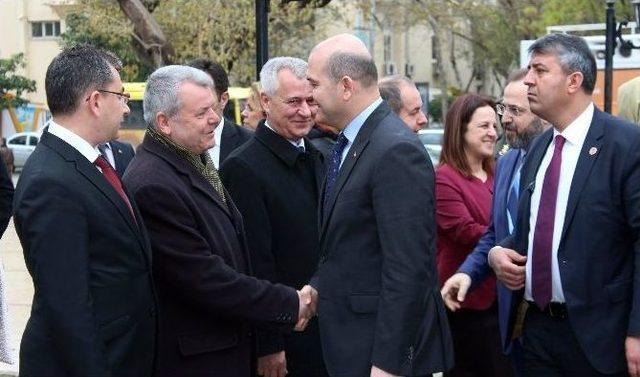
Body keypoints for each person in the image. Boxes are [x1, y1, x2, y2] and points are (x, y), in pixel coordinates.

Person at [122, 65, 315, 377]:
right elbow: (206, 278)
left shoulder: (190, 160)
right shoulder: (153, 185)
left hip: (224, 349)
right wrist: (289, 303)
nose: (215, 119)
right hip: (196, 360)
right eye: (202, 113)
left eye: (214, 108)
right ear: (164, 123)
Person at [487, 33, 640, 377]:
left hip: (601, 337)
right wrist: (498, 253)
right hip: (538, 331)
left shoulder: (626, 146)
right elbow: (536, 231)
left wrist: (637, 331)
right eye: (529, 70)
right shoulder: (539, 148)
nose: (528, 79)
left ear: (574, 81)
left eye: (540, 70)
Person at [306, 33, 453, 377]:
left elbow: (408, 268)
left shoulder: (394, 150)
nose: (309, 95)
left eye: (313, 83)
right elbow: (354, 244)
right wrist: (319, 286)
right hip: (351, 344)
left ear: (345, 86)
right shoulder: (353, 142)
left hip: (380, 356)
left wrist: (389, 364)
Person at [13, 45, 157, 377]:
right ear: (94, 101)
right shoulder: (49, 181)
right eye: (121, 97)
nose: (125, 108)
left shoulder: (89, 163)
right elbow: (67, 307)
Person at [220, 56, 328, 377]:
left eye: (311, 101)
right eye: (293, 101)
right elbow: (253, 263)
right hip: (287, 334)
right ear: (265, 101)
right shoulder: (243, 168)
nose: (305, 111)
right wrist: (269, 344)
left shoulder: (319, 156)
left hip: (328, 328)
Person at [441, 69, 548, 375]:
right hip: (503, 319)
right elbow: (496, 233)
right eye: (504, 108)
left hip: (551, 319)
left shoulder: (557, 162)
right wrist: (468, 273)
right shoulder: (508, 161)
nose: (505, 120)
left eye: (516, 110)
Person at [435, 92, 514, 377]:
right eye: (484, 126)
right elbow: (465, 230)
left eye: (495, 126)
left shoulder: (499, 173)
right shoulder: (444, 178)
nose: (493, 133)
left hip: (502, 300)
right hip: (465, 303)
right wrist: (512, 240)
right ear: (461, 129)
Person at [188, 58, 253, 168]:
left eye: (205, 100)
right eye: (189, 97)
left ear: (223, 99)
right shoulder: (173, 142)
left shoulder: (249, 144)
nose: (196, 105)